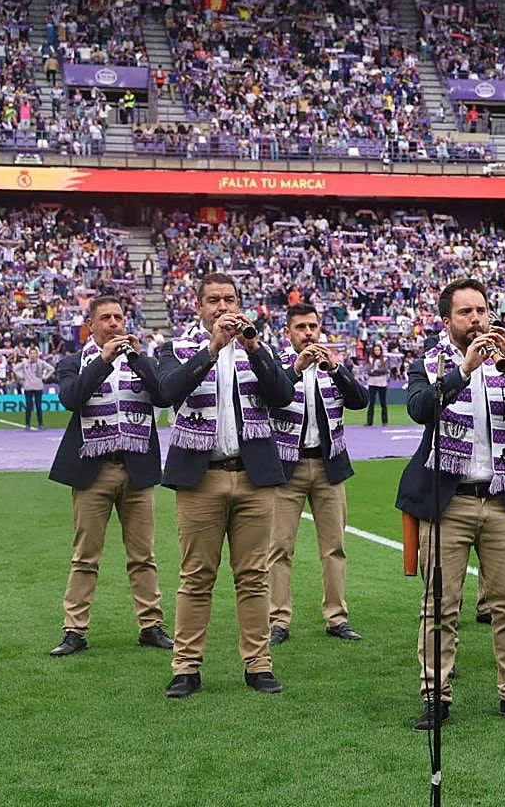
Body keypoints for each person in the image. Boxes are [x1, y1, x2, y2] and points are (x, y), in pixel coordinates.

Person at [396, 278, 505, 731]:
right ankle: (436, 696)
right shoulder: (429, 363)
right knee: (440, 605)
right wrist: (463, 371)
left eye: (481, 311)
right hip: (447, 500)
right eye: (466, 313)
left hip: (501, 495)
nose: (476, 320)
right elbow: (418, 409)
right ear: (447, 320)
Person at [157, 272, 295, 698]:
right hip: (201, 478)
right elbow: (167, 391)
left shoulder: (257, 347)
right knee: (196, 575)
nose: (223, 307)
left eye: (229, 299)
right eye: (213, 300)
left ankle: (258, 664)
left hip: (252, 476)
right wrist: (212, 348)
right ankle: (186, 666)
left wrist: (253, 349)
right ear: (198, 307)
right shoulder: (176, 349)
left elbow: (283, 395)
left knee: (254, 576)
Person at [48, 296, 173, 657]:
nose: (115, 323)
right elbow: (72, 398)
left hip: (135, 468)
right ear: (91, 324)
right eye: (106, 318)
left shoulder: (140, 360)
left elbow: (164, 396)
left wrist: (139, 359)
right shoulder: (74, 362)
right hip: (93, 469)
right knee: (85, 556)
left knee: (143, 555)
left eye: (119, 317)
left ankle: (151, 625)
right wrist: (104, 360)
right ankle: (74, 630)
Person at [267, 304, 369, 646]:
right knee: (279, 548)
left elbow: (359, 400)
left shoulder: (332, 365)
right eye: (300, 327)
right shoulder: (276, 363)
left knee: (335, 547)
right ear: (288, 332)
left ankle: (336, 617)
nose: (308, 333)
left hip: (329, 467)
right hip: (285, 468)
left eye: (313, 326)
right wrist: (297, 368)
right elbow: (268, 396)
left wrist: (337, 369)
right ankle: (278, 619)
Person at [17, 347, 54, 430]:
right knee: (29, 406)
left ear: (37, 354)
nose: (33, 355)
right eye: (31, 353)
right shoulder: (25, 363)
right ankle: (27, 424)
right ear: (28, 354)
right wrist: (22, 376)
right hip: (28, 387)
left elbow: (51, 369)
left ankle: (41, 424)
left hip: (38, 386)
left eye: (34, 353)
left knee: (38, 406)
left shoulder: (41, 363)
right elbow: (15, 369)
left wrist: (45, 377)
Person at [365, 343, 389, 426]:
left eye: (378, 350)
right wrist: (376, 372)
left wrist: (375, 371)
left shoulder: (385, 359)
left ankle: (384, 421)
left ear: (381, 351)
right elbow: (368, 370)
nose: (377, 351)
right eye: (375, 350)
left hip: (382, 383)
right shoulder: (370, 359)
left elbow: (385, 370)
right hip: (372, 383)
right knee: (371, 403)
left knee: (383, 403)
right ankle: (369, 422)